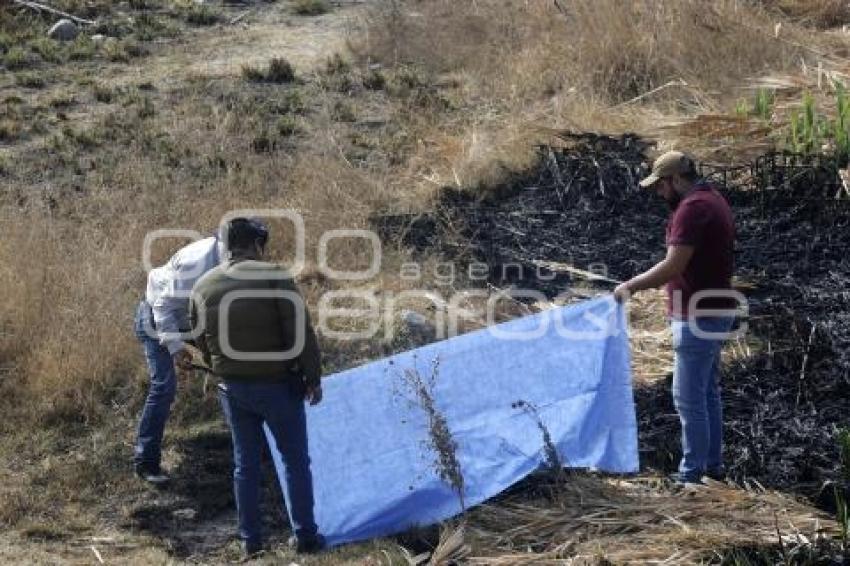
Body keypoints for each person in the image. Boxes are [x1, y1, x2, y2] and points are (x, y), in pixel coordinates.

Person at [189, 218, 324, 557]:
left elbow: (199, 337)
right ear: (255, 245)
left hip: (233, 390)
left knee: (244, 466)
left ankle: (251, 543)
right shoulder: (275, 276)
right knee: (294, 461)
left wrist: (220, 367)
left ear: (226, 247)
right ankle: (305, 537)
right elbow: (301, 333)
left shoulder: (203, 286)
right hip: (279, 386)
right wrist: (313, 377)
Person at [613, 150, 737, 485]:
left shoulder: (692, 209)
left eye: (661, 186)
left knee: (688, 399)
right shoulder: (713, 199)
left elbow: (672, 266)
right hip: (717, 311)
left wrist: (630, 286)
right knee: (707, 393)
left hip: (697, 316)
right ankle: (711, 467)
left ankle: (691, 475)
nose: (658, 193)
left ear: (676, 179)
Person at [133, 233, 224, 484]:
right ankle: (146, 462)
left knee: (233, 368)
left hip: (192, 320)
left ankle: (251, 442)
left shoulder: (241, 259)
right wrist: (175, 348)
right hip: (156, 317)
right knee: (164, 386)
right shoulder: (197, 262)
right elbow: (163, 306)